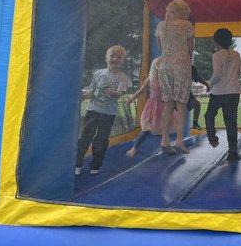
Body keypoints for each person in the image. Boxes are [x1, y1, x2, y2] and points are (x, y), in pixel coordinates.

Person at [76, 45, 130, 175]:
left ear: (123, 60)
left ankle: (95, 165)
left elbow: (120, 93)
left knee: (101, 139)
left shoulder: (122, 77)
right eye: (112, 56)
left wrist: (113, 93)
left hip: (108, 113)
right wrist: (85, 96)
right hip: (93, 110)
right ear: (106, 58)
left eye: (119, 57)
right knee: (85, 137)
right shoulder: (98, 73)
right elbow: (91, 90)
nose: (115, 59)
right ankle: (77, 163)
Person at [155, 0, 194, 155]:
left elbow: (160, 47)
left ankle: (164, 140)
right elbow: (191, 48)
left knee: (168, 103)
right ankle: (179, 140)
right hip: (181, 65)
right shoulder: (187, 25)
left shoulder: (161, 26)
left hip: (164, 65)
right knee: (181, 105)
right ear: (182, 13)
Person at [124, 57, 180, 157]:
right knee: (146, 129)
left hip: (164, 107)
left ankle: (167, 145)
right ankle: (134, 148)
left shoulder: (169, 80)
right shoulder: (150, 79)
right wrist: (131, 99)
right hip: (152, 108)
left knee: (165, 128)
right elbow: (141, 91)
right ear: (155, 68)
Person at [204, 28, 241, 162]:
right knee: (231, 122)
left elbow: (218, 75)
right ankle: (233, 152)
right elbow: (239, 72)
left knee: (209, 116)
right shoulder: (236, 54)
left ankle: (213, 139)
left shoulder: (217, 55)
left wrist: (209, 84)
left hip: (219, 93)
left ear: (215, 41)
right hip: (233, 92)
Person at [188, 65, 209, 130]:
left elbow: (198, 77)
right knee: (174, 109)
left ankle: (195, 123)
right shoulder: (175, 66)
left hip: (186, 92)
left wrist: (207, 84)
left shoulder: (191, 68)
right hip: (176, 93)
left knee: (196, 104)